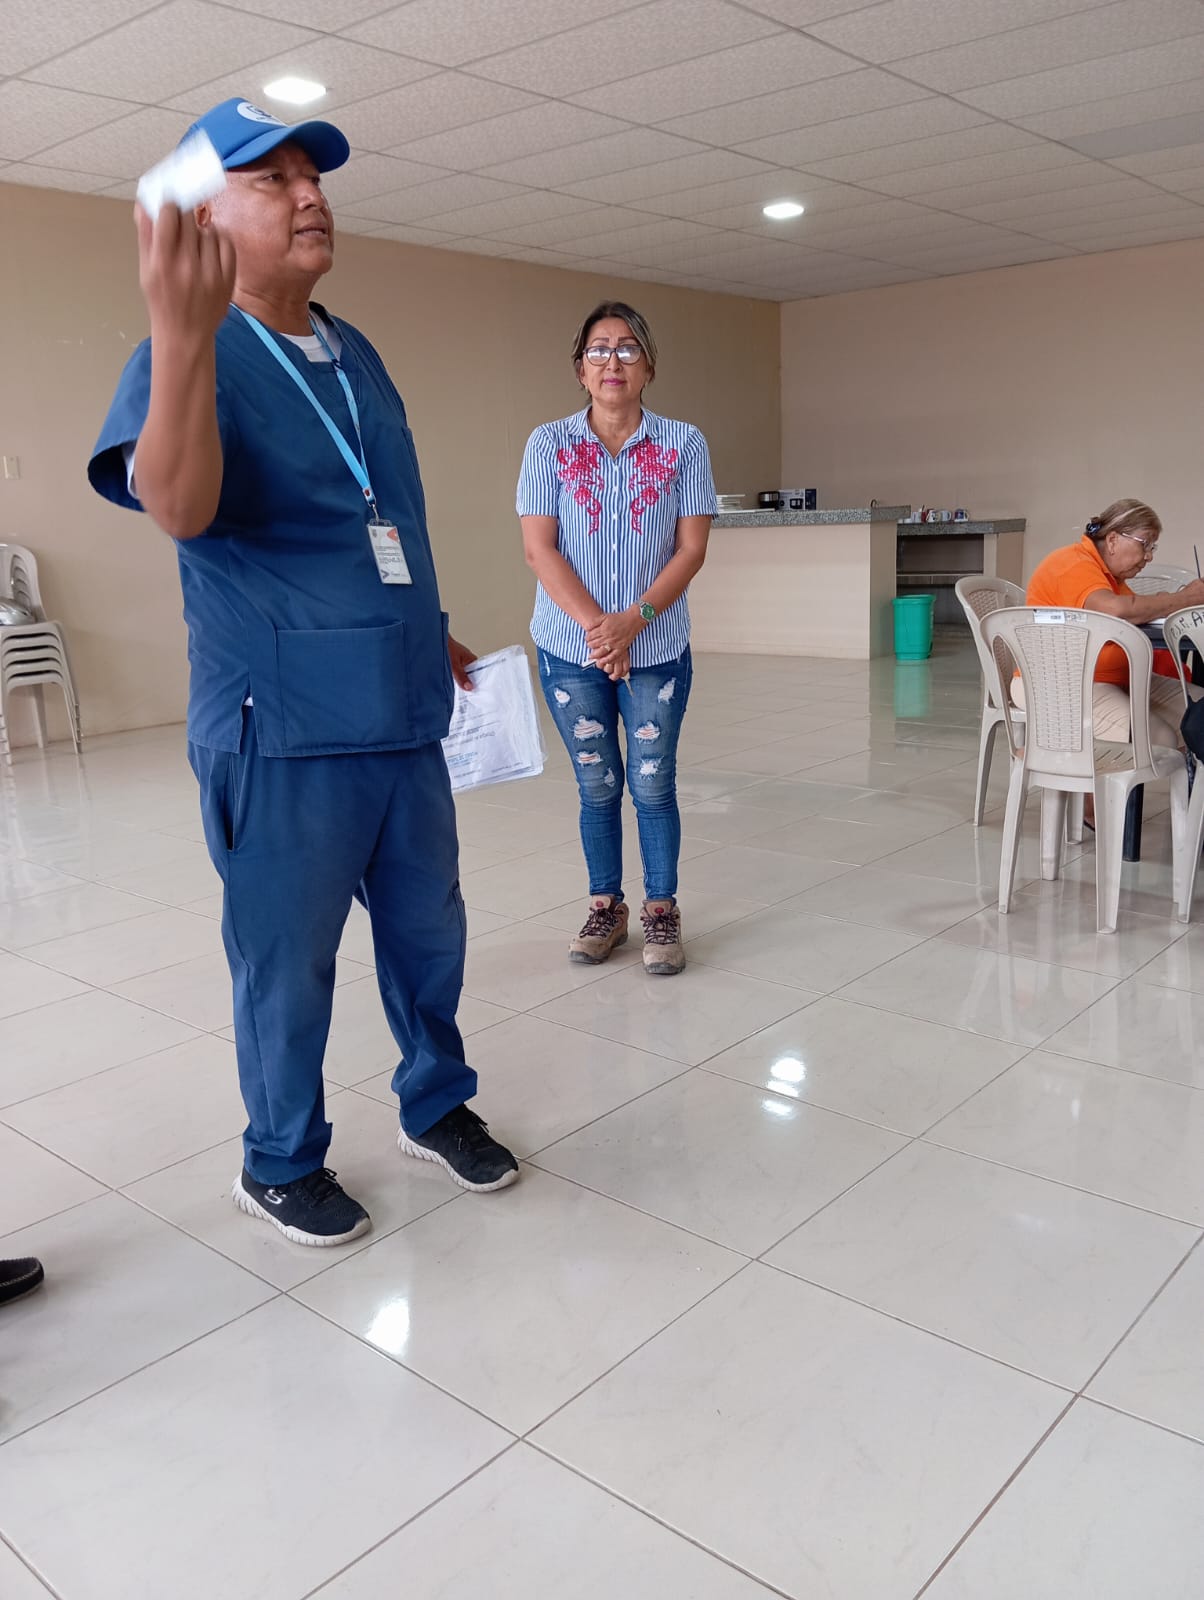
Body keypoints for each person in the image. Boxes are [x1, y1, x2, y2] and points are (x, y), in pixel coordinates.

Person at [88, 98, 517, 1249]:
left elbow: (381, 519)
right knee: (288, 964)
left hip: (399, 713)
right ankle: (279, 1158)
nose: (309, 195)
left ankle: (435, 1102)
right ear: (203, 217)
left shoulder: (355, 349)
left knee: (429, 934)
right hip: (279, 730)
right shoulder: (183, 353)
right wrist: (181, 334)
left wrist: (426, 630)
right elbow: (179, 507)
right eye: (270, 180)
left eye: (312, 176)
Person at [517, 302, 716, 975]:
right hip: (570, 650)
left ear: (648, 367)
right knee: (597, 783)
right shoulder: (548, 444)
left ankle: (661, 910)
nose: (612, 361)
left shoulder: (684, 443)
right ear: (580, 368)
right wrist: (600, 631)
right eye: (598, 349)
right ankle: (607, 905)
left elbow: (691, 549)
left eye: (628, 348)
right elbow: (540, 549)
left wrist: (634, 621)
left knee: (653, 784)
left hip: (656, 649)